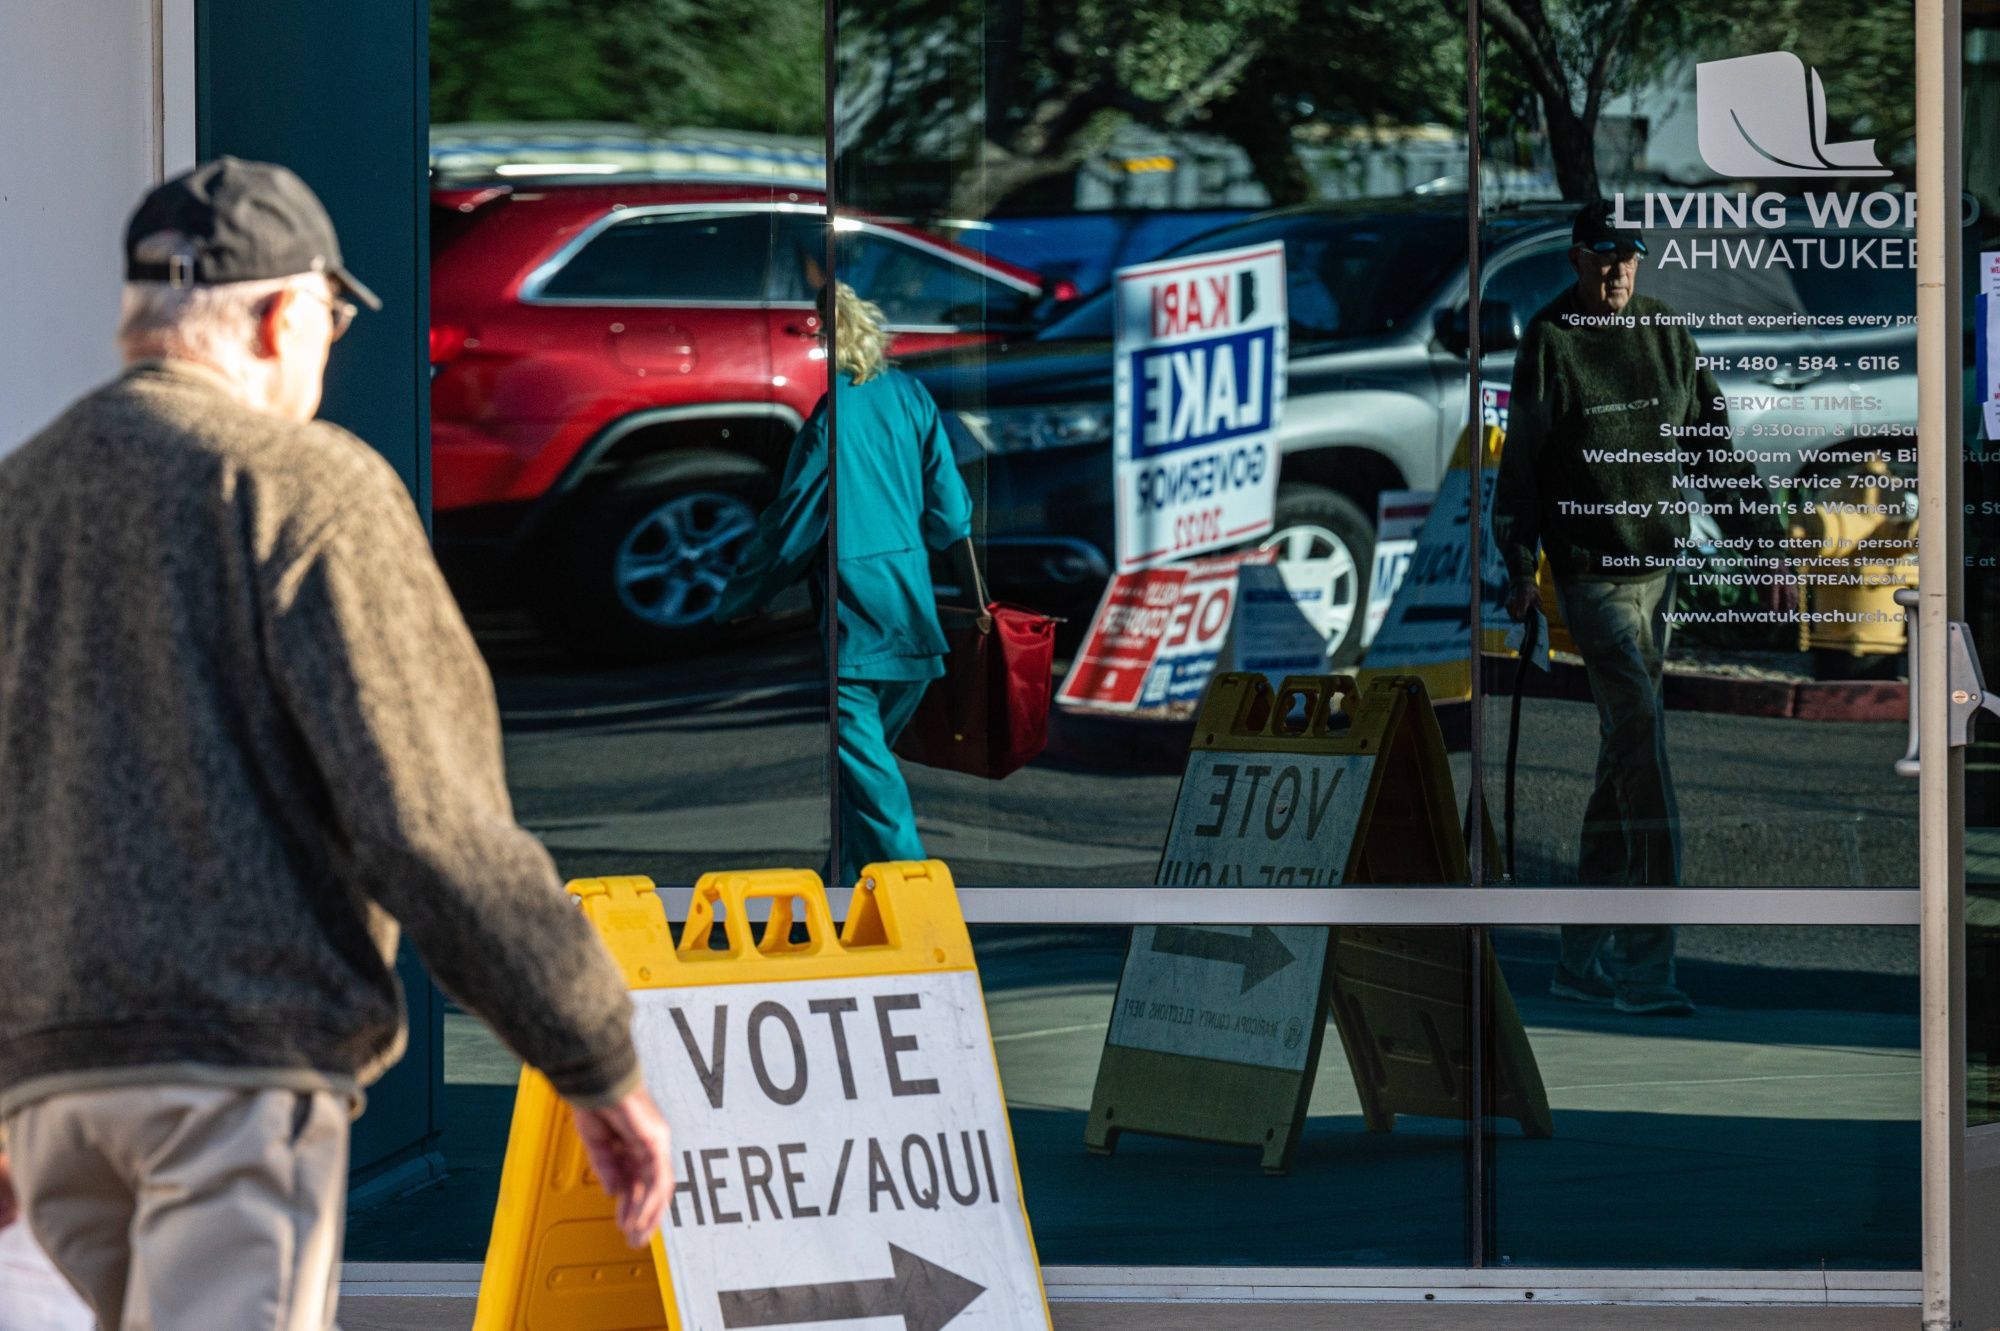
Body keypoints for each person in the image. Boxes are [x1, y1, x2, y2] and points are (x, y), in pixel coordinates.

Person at [0, 158, 673, 1331]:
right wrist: (591, 1053)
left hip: (51, 1075)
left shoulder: (21, 498)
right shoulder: (306, 488)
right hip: (240, 1059)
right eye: (329, 318)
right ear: (278, 313)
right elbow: (431, 816)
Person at [1492, 199, 1757, 1018]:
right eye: (1604, 256)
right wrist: (1515, 560)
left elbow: (1712, 442)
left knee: (1624, 756)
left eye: (1629, 256)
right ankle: (1648, 967)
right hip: (1590, 574)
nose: (1618, 269)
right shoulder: (1551, 341)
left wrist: (1763, 536)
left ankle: (1577, 957)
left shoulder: (1665, 332)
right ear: (1576, 259)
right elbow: (1525, 465)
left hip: (1657, 571)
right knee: (1642, 745)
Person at [716, 282, 974, 885]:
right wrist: (966, 589)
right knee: (860, 771)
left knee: (866, 772)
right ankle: (842, 887)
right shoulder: (910, 396)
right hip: (912, 612)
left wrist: (741, 597)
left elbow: (794, 521)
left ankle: (910, 887)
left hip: (857, 618)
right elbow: (949, 511)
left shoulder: (833, 414)